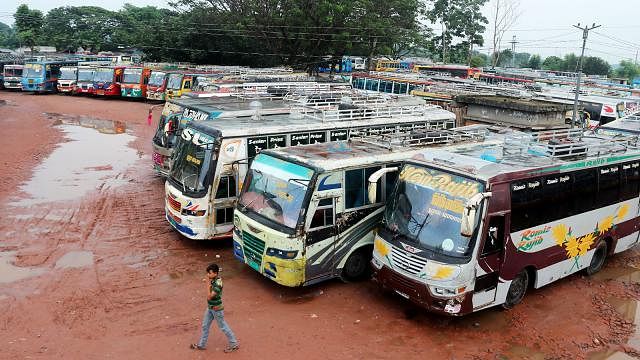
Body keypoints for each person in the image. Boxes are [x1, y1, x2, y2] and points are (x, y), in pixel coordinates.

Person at [190, 263, 239, 353]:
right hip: (210, 307)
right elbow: (208, 279)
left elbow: (209, 297)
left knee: (223, 326)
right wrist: (208, 280)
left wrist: (207, 285)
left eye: (210, 273)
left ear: (215, 273)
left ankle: (234, 344)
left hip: (217, 309)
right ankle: (202, 344)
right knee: (205, 325)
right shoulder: (214, 278)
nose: (208, 275)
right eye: (208, 273)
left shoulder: (218, 284)